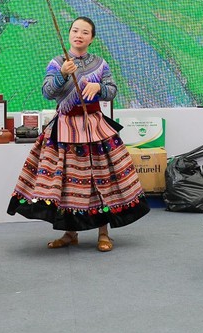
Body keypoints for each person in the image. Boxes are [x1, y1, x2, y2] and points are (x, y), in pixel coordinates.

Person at [8, 17, 149, 250]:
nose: (79, 35)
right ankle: (69, 232)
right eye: (75, 30)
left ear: (92, 39)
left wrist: (100, 89)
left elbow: (112, 91)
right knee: (67, 182)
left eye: (85, 32)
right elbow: (48, 92)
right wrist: (62, 73)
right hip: (64, 129)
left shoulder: (100, 64)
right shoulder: (57, 62)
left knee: (100, 179)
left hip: (94, 128)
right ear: (69, 34)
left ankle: (104, 233)